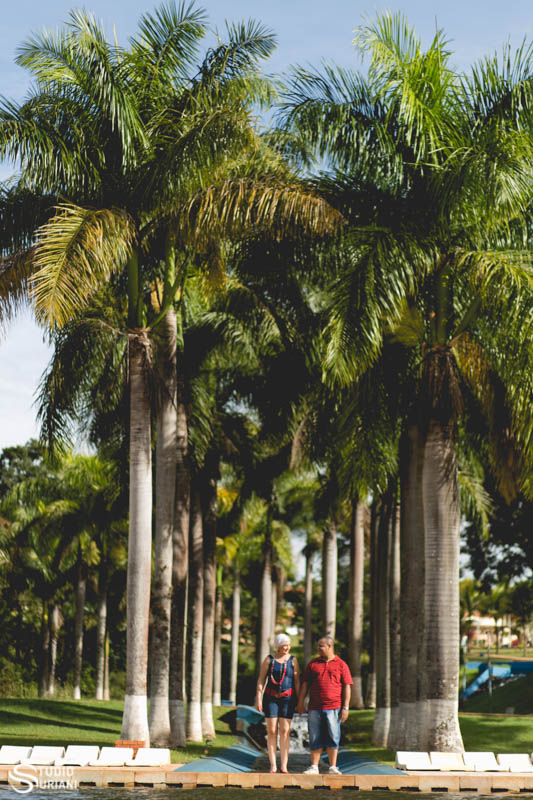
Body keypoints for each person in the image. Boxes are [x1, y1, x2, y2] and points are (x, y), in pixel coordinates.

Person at [297, 635, 353, 775]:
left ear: (329, 647)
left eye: (321, 646)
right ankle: (314, 767)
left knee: (333, 736)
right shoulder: (313, 664)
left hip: (334, 708)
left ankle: (333, 767)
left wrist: (345, 707)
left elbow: (347, 686)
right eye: (318, 646)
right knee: (315, 736)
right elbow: (305, 685)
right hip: (314, 708)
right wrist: (300, 703)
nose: (318, 648)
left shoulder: (341, 664)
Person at [255, 633, 301, 773]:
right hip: (271, 698)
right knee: (272, 730)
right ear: (278, 646)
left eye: (288, 645)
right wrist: (258, 698)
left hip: (288, 699)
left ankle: (284, 765)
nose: (287, 648)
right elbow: (261, 680)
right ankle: (273, 765)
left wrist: (300, 701)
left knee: (285, 731)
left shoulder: (293, 661)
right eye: (283, 645)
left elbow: (297, 682)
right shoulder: (269, 660)